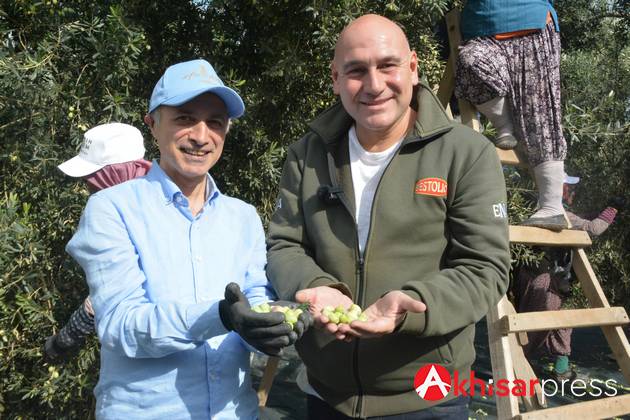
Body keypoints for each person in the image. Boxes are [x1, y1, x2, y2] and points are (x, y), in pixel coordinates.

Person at [266, 14, 510, 419]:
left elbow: (485, 268)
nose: (374, 85)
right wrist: (316, 287)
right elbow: (284, 245)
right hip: (326, 394)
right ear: (336, 79)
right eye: (356, 71)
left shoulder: (466, 154)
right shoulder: (307, 155)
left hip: (429, 396)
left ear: (413, 68)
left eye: (387, 65)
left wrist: (413, 305)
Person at [66, 59, 309, 419]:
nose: (200, 135)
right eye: (184, 118)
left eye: (215, 122)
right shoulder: (112, 209)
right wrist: (222, 316)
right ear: (152, 125)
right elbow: (122, 324)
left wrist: (273, 323)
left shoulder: (242, 217)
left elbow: (253, 299)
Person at [454, 0, 569, 231]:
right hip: (482, 28)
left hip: (533, 24)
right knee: (470, 61)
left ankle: (552, 207)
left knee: (540, 115)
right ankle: (504, 125)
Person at [44, 123, 152, 361]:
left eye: (93, 176)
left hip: (141, 349)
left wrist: (63, 340)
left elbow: (110, 292)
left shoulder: (106, 210)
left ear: (114, 172)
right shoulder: (168, 196)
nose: (87, 183)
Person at [515, 173, 621, 380]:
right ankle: (520, 365)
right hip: (543, 280)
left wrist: (599, 212)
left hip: (543, 277)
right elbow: (594, 228)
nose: (573, 191)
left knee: (562, 320)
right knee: (538, 324)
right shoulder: (558, 214)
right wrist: (613, 209)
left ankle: (561, 369)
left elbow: (580, 221)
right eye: (568, 187)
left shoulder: (543, 210)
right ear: (557, 190)